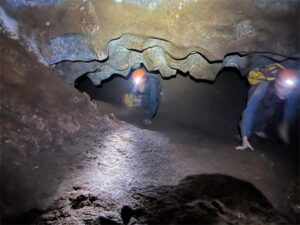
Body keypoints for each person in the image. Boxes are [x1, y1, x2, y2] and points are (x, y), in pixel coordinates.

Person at [236, 64, 299, 151]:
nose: (285, 93)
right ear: (277, 84)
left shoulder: (291, 90)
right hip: (257, 93)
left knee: (268, 113)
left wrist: (285, 123)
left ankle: (258, 129)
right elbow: (250, 110)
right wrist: (245, 138)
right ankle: (245, 132)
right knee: (256, 112)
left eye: (289, 90)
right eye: (283, 88)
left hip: (272, 99)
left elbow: (291, 106)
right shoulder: (263, 86)